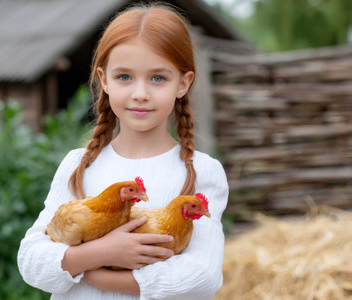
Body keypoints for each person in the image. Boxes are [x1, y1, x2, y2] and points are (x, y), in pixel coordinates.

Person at [17, 3, 228, 299]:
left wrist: (98, 276)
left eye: (158, 78)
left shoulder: (202, 170)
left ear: (183, 83)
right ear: (104, 80)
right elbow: (30, 261)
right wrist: (102, 252)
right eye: (124, 77)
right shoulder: (79, 165)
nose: (140, 94)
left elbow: (202, 275)